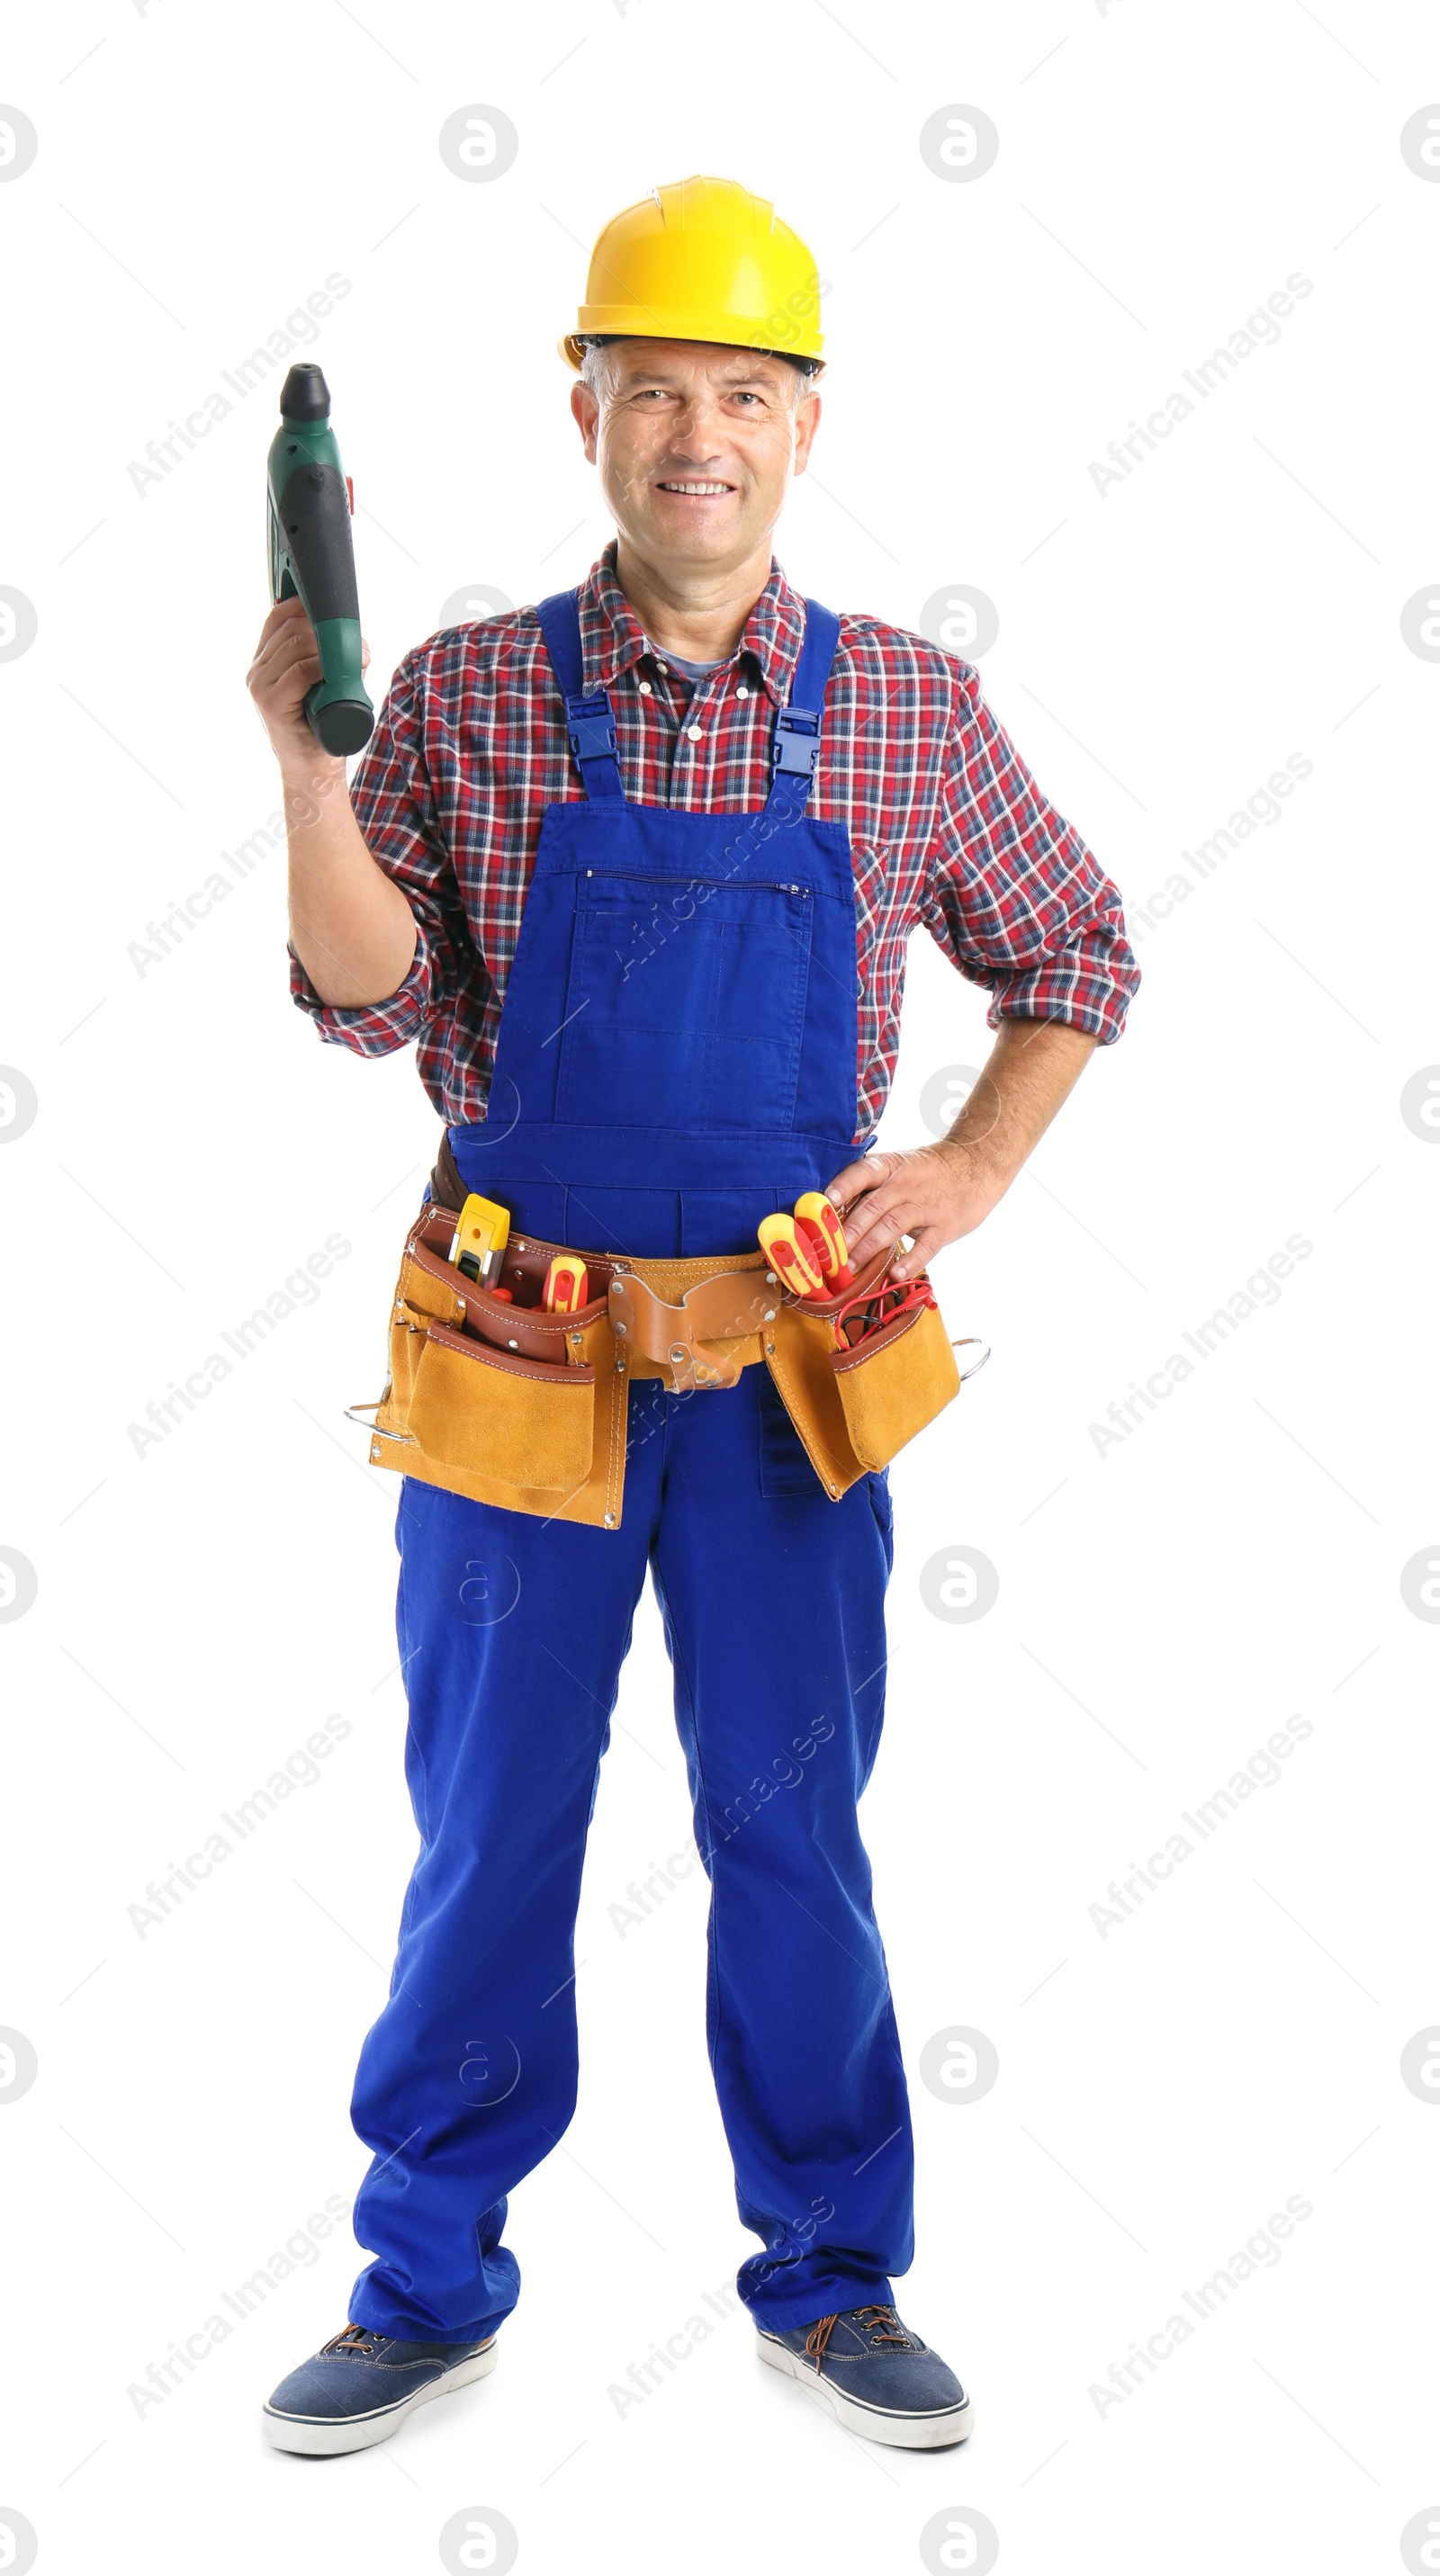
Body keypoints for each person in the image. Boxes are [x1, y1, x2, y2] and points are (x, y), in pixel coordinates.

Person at [247, 175, 1138, 2459]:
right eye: (654, 391)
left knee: (793, 1832)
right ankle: (423, 2273)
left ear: (803, 428)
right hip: (513, 1363)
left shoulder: (907, 714)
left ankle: (830, 2281)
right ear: (587, 414)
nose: (697, 437)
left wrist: (962, 1167)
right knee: (488, 1832)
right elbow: (363, 1008)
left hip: (781, 1381)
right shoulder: (449, 694)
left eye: (741, 395)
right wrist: (304, 768)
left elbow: (1076, 958)